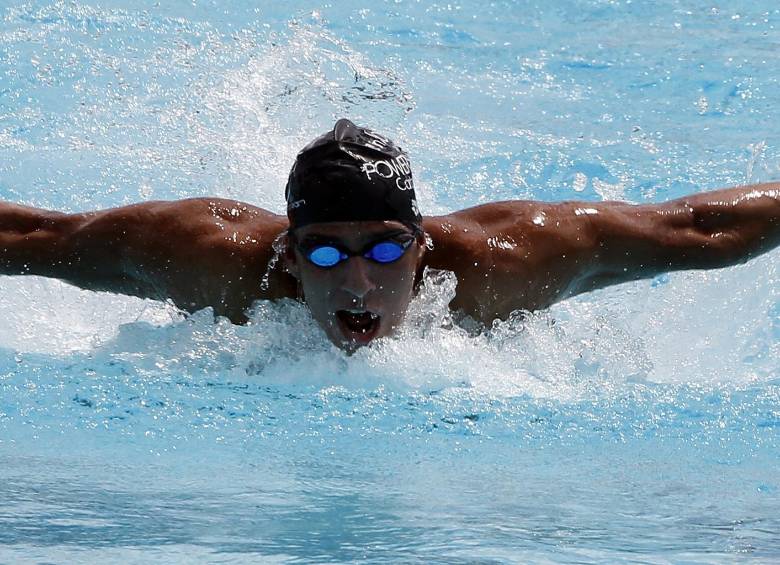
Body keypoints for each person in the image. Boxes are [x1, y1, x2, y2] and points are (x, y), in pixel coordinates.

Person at [1, 119, 778, 351]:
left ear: (421, 246)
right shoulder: (210, 261)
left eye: (383, 249)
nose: (357, 283)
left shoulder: (503, 264)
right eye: (325, 252)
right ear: (289, 253)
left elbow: (691, 228)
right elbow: (37, 234)